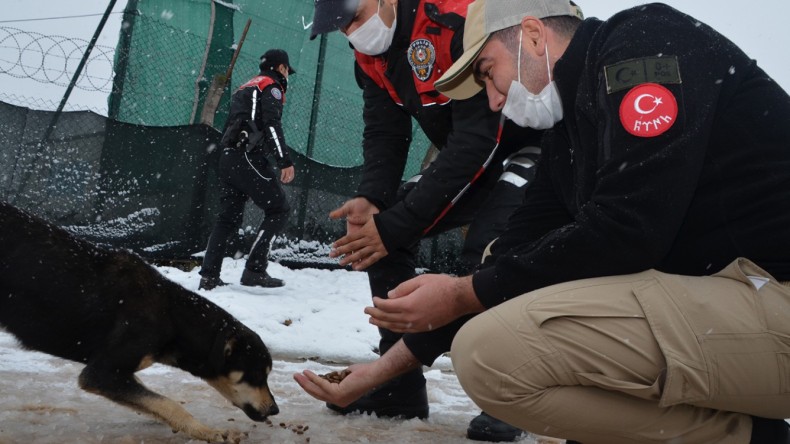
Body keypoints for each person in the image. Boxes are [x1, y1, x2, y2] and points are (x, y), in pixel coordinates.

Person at [296, 1, 790, 442]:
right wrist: (382, 371)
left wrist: (462, 292)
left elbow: (629, 229)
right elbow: (510, 260)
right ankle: (748, 434)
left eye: (488, 73)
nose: (493, 101)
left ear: (532, 36)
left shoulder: (644, 42)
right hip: (735, 301)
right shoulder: (567, 138)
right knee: (516, 330)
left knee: (493, 354)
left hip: (771, 295)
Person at [309, 0, 542, 440]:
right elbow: (385, 130)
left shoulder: (451, 20)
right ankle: (398, 388)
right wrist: (373, 199)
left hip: (533, 146)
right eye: (341, 28)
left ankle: (511, 395)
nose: (352, 33)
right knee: (380, 234)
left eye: (355, 18)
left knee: (491, 248)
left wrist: (395, 226)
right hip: (473, 154)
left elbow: (477, 139)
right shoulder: (370, 57)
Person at [199, 49, 296, 291]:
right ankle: (254, 270)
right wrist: (284, 160)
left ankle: (209, 276)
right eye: (287, 70)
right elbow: (271, 124)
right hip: (248, 155)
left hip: (227, 156)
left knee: (228, 218)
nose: (287, 76)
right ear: (281, 68)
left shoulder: (245, 86)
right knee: (279, 209)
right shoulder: (271, 86)